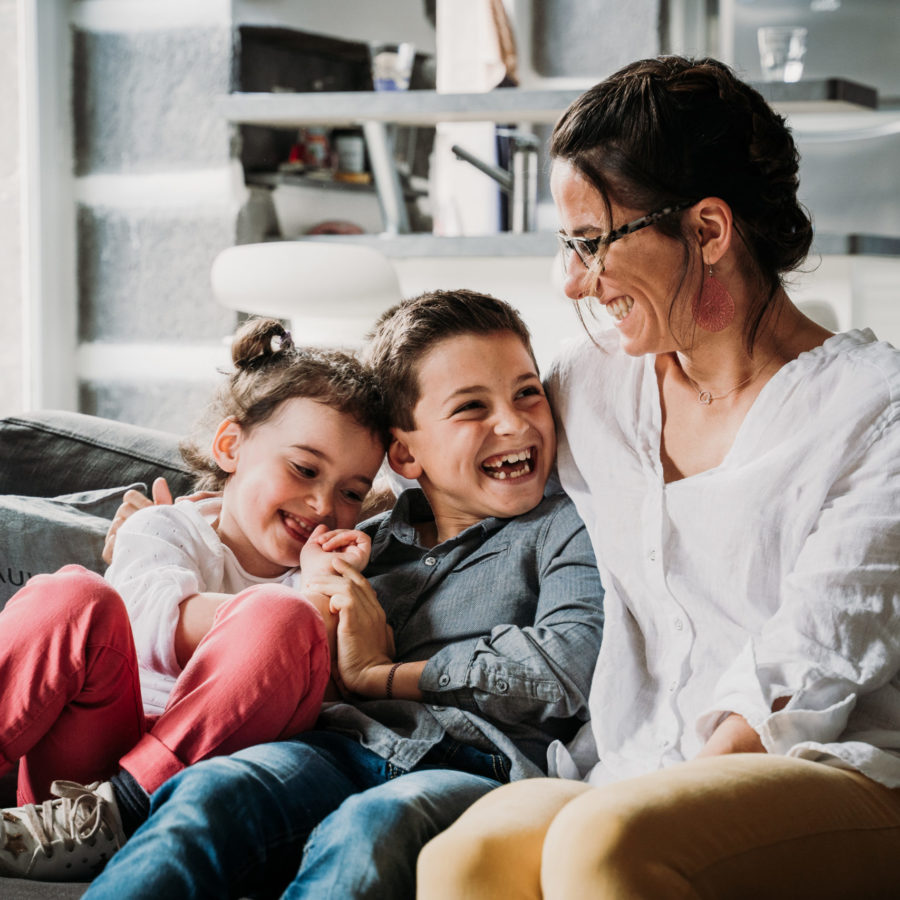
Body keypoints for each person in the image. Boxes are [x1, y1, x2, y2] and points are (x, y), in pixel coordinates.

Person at [416, 56, 900, 898]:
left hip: (840, 769)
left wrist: (661, 792)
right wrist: (227, 525)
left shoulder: (875, 411)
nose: (572, 281)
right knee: (467, 852)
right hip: (647, 769)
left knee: (605, 842)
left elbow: (809, 661)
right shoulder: (592, 385)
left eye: (592, 243)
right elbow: (456, 464)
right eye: (568, 247)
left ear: (709, 231)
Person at [80, 289, 605, 899]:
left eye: (527, 392)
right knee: (211, 792)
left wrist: (384, 674)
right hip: (337, 748)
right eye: (471, 407)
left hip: (471, 766)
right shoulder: (356, 542)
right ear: (405, 452)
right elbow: (274, 630)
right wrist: (167, 529)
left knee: (371, 826)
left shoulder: (566, 525)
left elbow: (567, 664)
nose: (513, 423)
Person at [0, 317, 389, 881]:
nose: (323, 503)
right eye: (304, 468)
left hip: (178, 788)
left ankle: (123, 813)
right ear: (231, 446)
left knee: (287, 620)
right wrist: (266, 617)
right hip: (77, 772)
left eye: (352, 492)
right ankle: (86, 812)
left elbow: (326, 692)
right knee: (71, 594)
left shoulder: (321, 583)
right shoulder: (166, 528)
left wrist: (323, 597)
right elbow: (143, 624)